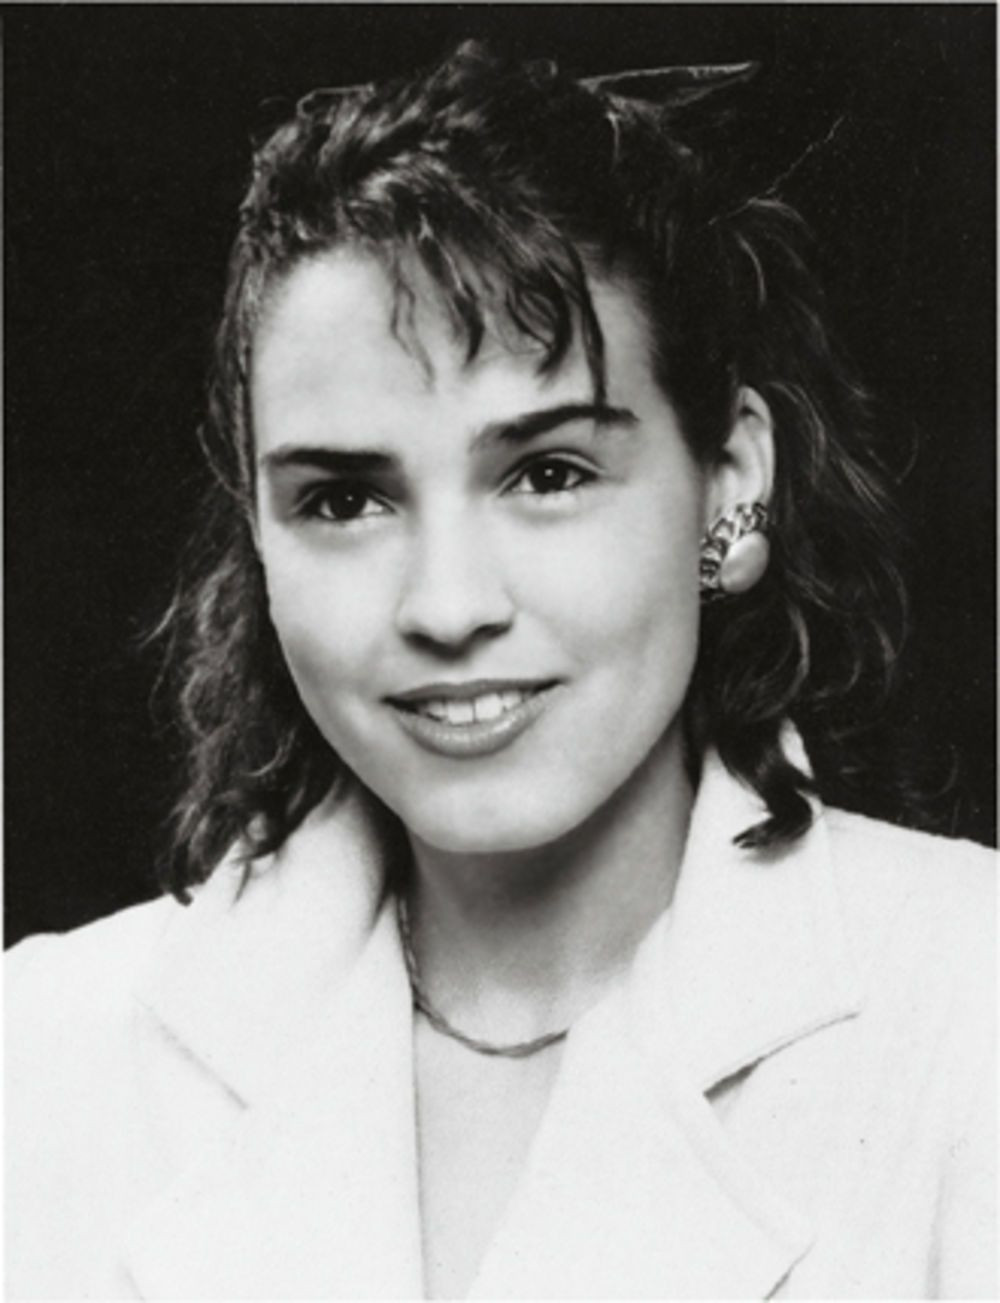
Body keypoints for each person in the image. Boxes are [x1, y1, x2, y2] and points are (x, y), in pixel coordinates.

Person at [6, 41, 995, 1301]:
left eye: (548, 474)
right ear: (256, 532)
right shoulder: (43, 1056)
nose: (448, 604)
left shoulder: (970, 1006)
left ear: (730, 485)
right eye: (344, 499)